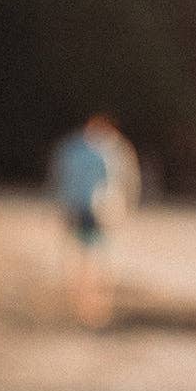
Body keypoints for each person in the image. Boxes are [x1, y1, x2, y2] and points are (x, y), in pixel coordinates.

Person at [46, 111, 142, 327]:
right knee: (91, 256)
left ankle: (90, 304)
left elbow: (59, 177)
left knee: (91, 256)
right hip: (92, 208)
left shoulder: (79, 147)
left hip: (92, 209)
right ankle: (88, 304)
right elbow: (127, 180)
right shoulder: (109, 149)